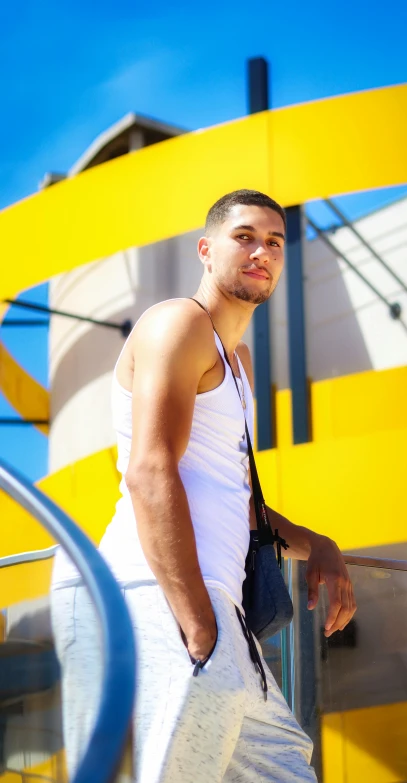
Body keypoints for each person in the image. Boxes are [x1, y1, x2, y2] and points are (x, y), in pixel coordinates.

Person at [51, 189, 356, 782]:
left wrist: (317, 545)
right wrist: (199, 628)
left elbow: (237, 500)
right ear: (206, 249)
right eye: (244, 236)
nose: (260, 251)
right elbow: (149, 470)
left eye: (274, 242)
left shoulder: (236, 360)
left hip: (219, 610)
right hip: (155, 595)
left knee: (287, 769)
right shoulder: (178, 322)